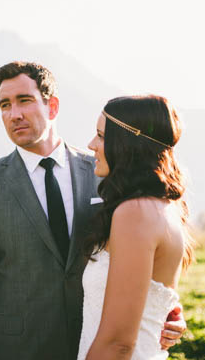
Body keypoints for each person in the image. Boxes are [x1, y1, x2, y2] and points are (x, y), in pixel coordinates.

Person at [0, 62, 186, 360]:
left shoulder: (105, 173)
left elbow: (148, 257)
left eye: (24, 100)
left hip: (95, 345)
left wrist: (167, 314)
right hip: (18, 351)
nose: (14, 114)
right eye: (4, 105)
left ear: (52, 106)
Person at [77, 95, 194, 360]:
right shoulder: (164, 206)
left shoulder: (135, 213)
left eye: (101, 136)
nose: (91, 145)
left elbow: (118, 343)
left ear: (128, 144)